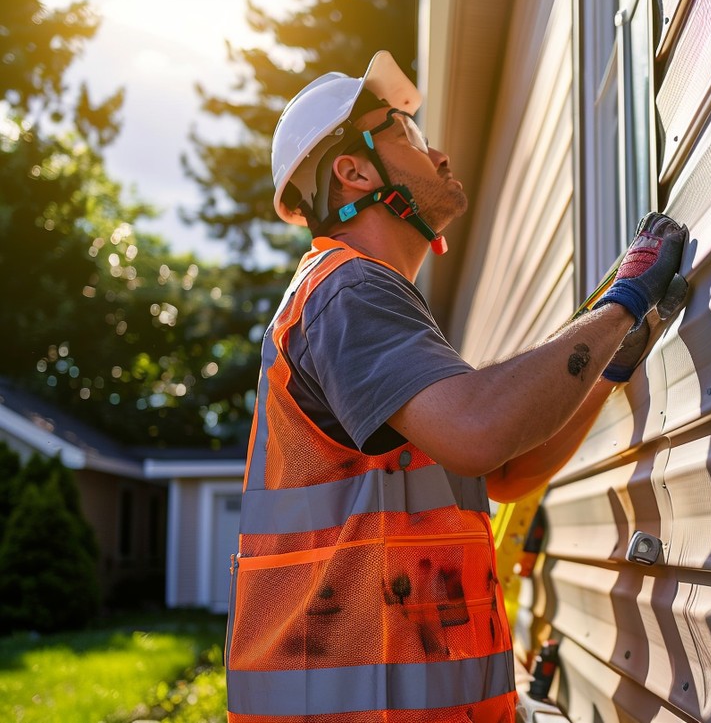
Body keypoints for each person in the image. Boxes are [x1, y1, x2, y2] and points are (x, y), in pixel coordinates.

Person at [224, 51, 687, 723]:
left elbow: (503, 470)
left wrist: (609, 366)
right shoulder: (346, 289)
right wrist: (620, 303)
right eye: (406, 134)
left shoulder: (372, 304)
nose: (436, 151)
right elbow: (479, 431)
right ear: (354, 170)